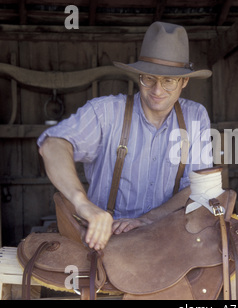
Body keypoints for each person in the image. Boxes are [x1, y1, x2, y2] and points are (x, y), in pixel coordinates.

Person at [37, 22, 213, 251]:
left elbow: (200, 187)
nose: (157, 91)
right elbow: (52, 145)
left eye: (168, 81)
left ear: (184, 81)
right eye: (149, 78)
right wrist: (82, 204)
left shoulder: (195, 116)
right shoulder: (105, 112)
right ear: (139, 76)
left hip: (168, 236)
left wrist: (147, 220)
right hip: (105, 240)